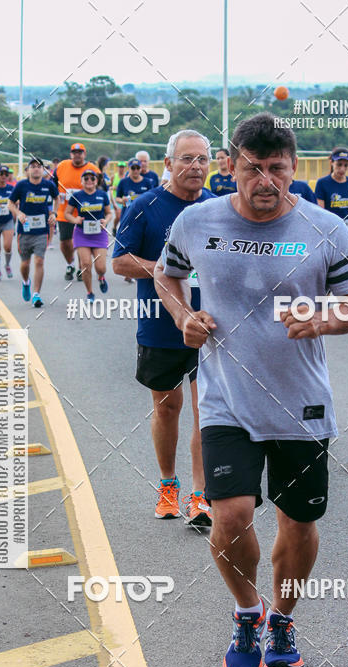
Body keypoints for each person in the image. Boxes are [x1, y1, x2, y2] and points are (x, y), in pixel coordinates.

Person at [154, 113, 348, 667]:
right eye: (253, 169)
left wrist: (327, 317)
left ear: (295, 169)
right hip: (227, 400)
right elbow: (165, 274)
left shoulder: (327, 229)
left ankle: (283, 618)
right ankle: (248, 612)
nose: (266, 181)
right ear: (230, 167)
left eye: (278, 169)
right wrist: (184, 315)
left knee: (298, 525)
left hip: (302, 406)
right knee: (230, 515)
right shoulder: (196, 221)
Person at [112, 130, 215, 527]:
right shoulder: (145, 205)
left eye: (202, 159)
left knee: (207, 409)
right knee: (168, 408)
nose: (196, 167)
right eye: (187, 159)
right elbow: (118, 262)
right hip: (160, 326)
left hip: (211, 327)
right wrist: (167, 270)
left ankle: (200, 496)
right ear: (168, 164)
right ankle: (168, 485)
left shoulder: (217, 206)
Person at [9, 157, 58, 308]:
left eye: (39, 166)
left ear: (43, 170)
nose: (36, 169)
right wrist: (18, 213)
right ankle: (26, 282)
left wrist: (53, 214)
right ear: (28, 170)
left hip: (42, 230)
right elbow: (10, 203)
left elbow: (57, 199)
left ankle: (36, 294)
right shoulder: (21, 185)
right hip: (25, 230)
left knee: (39, 261)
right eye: (33, 166)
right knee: (25, 263)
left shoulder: (48, 185)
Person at [53, 143, 99, 281]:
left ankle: (81, 267)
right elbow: (51, 183)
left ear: (84, 154)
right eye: (74, 152)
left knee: (82, 242)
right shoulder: (62, 166)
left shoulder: (92, 169)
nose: (77, 154)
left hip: (86, 212)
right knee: (65, 241)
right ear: (71, 154)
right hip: (65, 212)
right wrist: (57, 194)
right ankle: (70, 263)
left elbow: (102, 186)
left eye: (80, 152)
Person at [64, 169, 111, 303]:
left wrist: (106, 221)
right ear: (82, 181)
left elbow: (108, 213)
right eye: (86, 179)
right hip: (82, 234)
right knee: (85, 264)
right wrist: (75, 220)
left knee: (101, 267)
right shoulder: (77, 196)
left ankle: (101, 277)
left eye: (92, 178)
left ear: (96, 181)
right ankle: (90, 293)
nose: (89, 181)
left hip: (99, 234)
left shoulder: (102, 195)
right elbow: (67, 213)